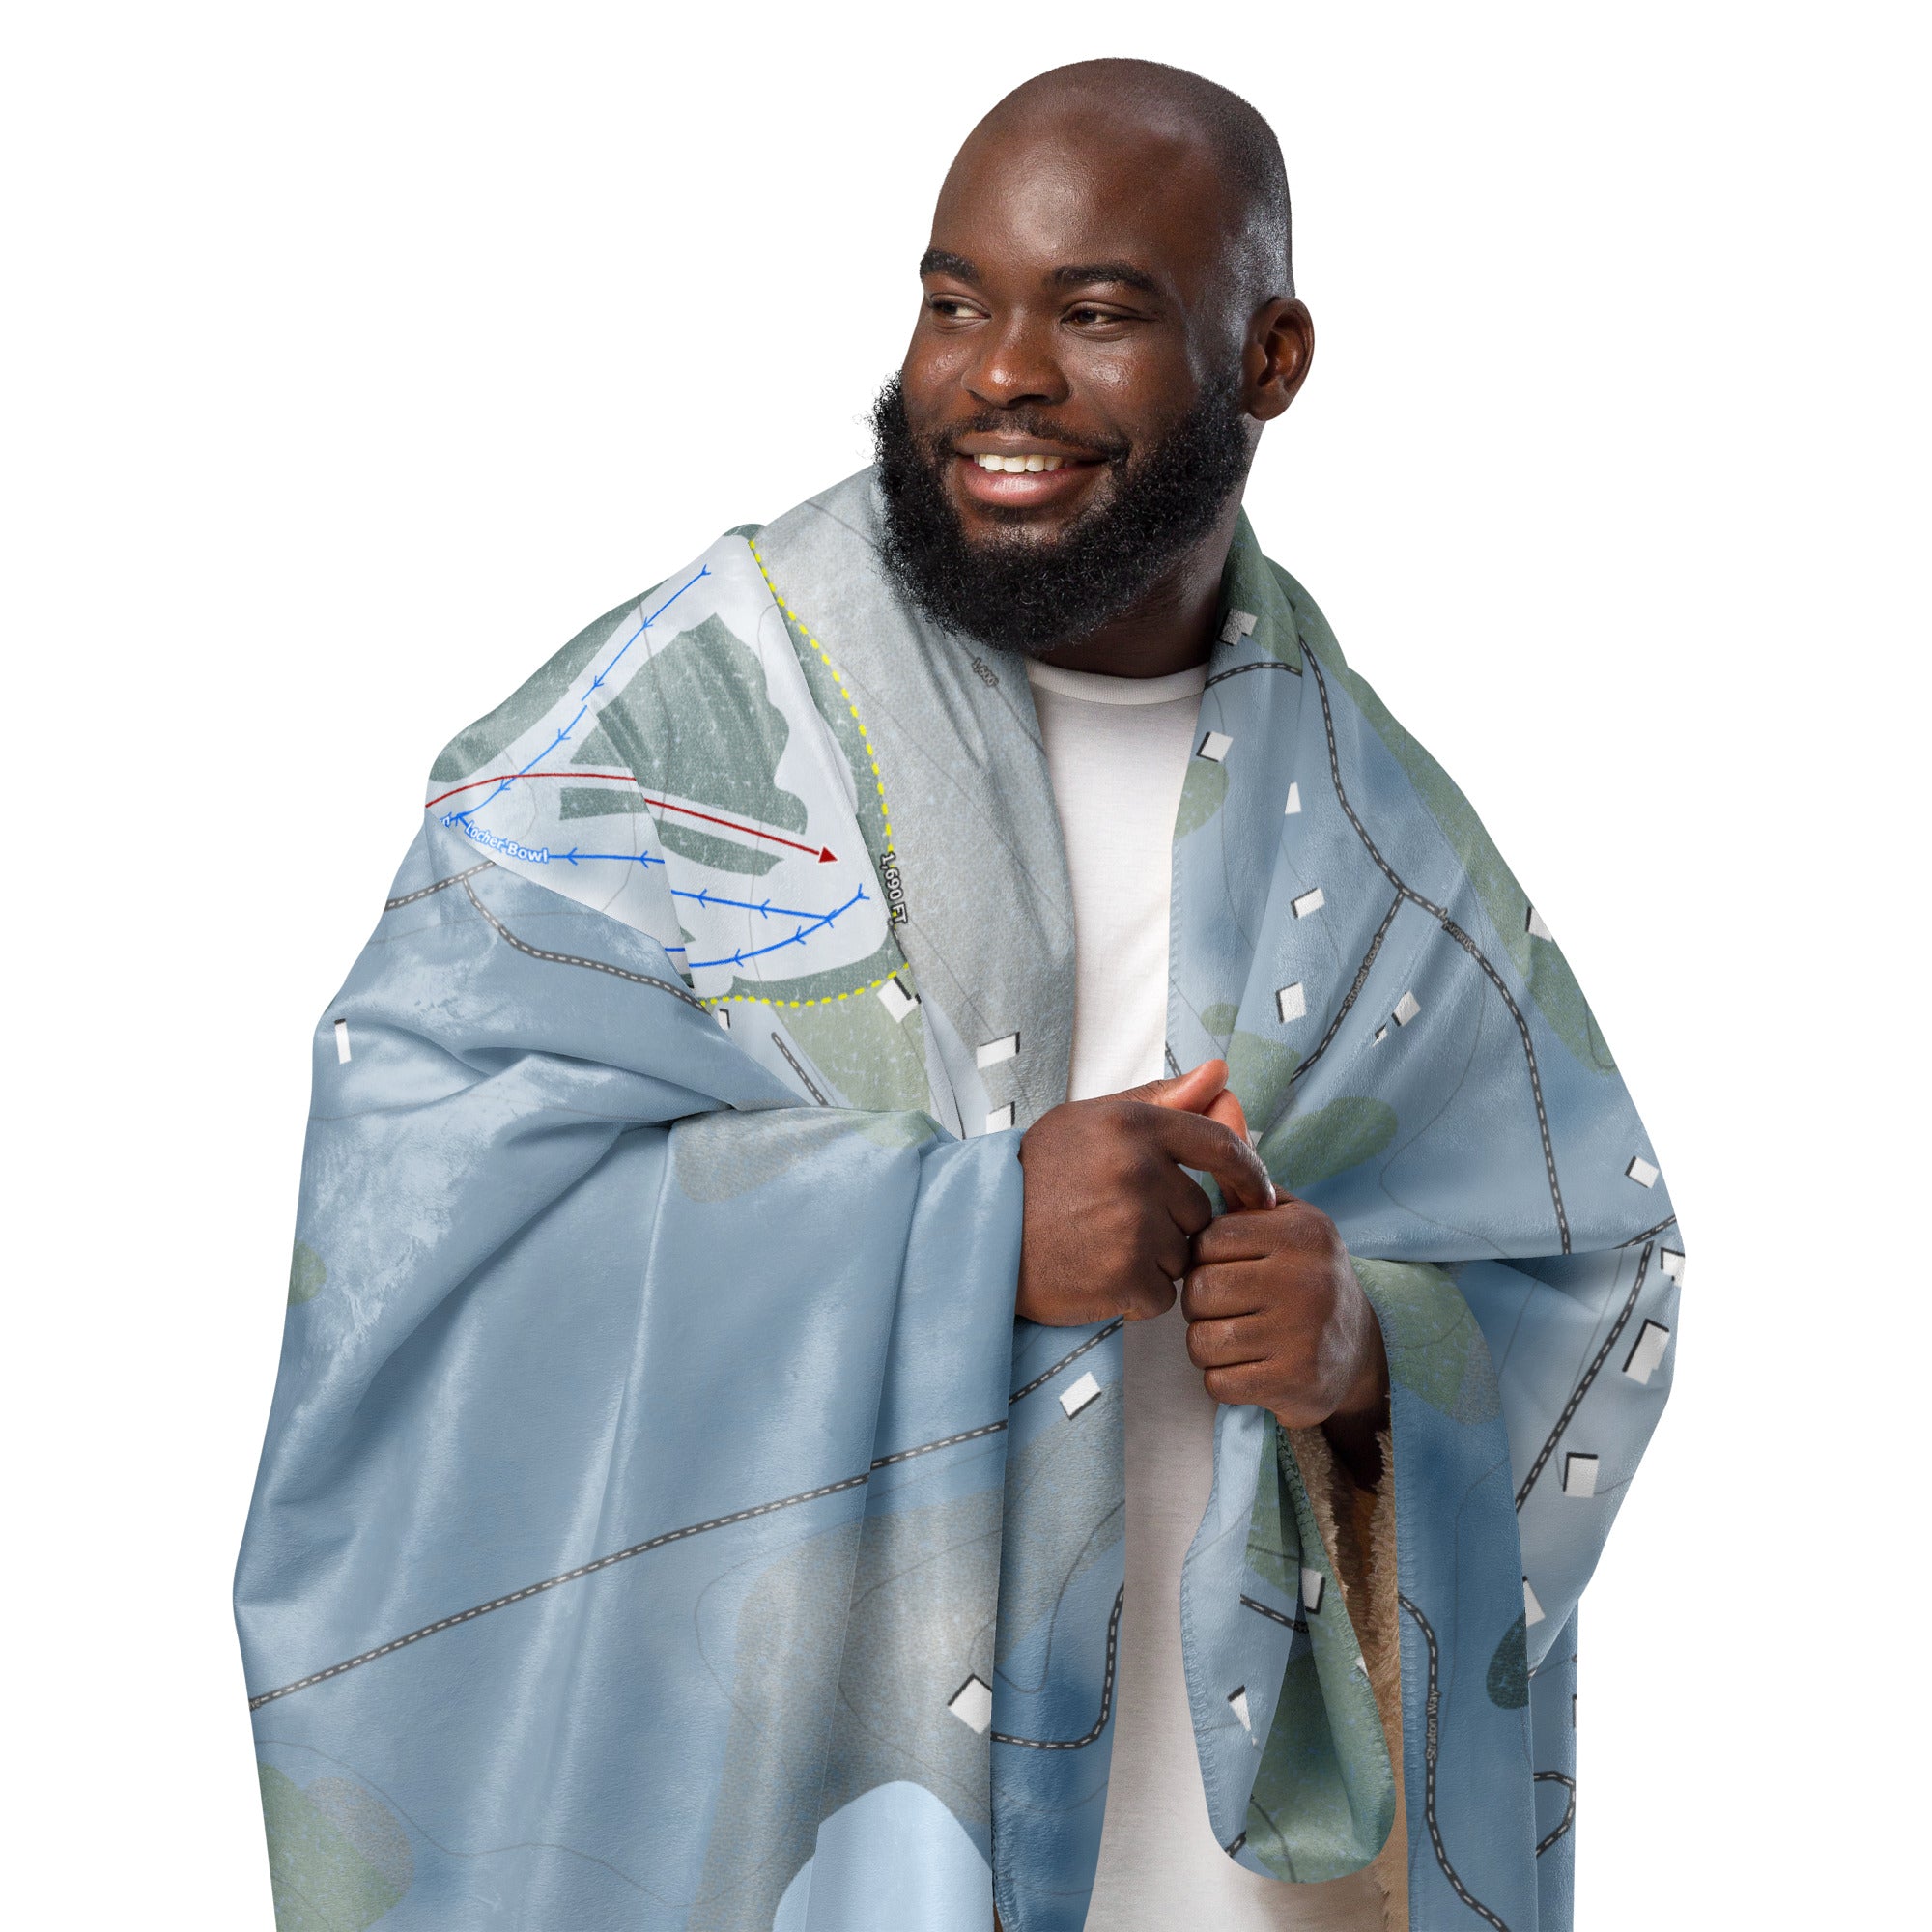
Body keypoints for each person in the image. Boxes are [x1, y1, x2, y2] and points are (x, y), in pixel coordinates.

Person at [235, 58, 1681, 1932]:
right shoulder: (672, 736)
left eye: (1097, 314)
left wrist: (1366, 1364)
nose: (999, 372)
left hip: (1226, 1878)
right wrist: (967, 1230)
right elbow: (412, 1227)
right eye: (952, 302)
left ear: (1269, 359)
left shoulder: (1370, 825)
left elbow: (1587, 1273)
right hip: (812, 1851)